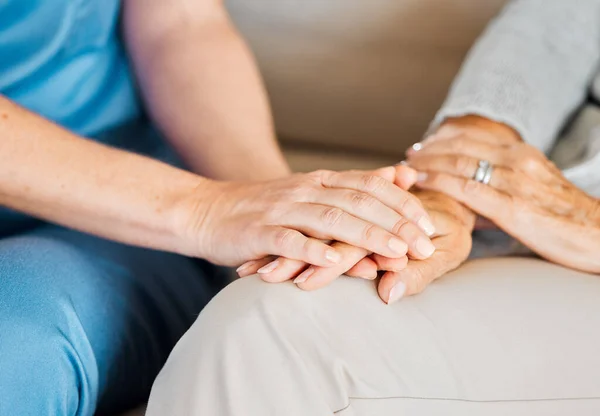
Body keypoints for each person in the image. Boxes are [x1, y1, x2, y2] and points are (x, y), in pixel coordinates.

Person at [146, 0, 600, 415]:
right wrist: (454, 181)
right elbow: (558, 24)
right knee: (265, 317)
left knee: (271, 337)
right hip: (512, 230)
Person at [0, 1, 437, 415]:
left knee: (16, 348)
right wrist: (201, 211)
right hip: (169, 206)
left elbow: (181, 23)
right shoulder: (195, 211)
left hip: (122, 218)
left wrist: (278, 214)